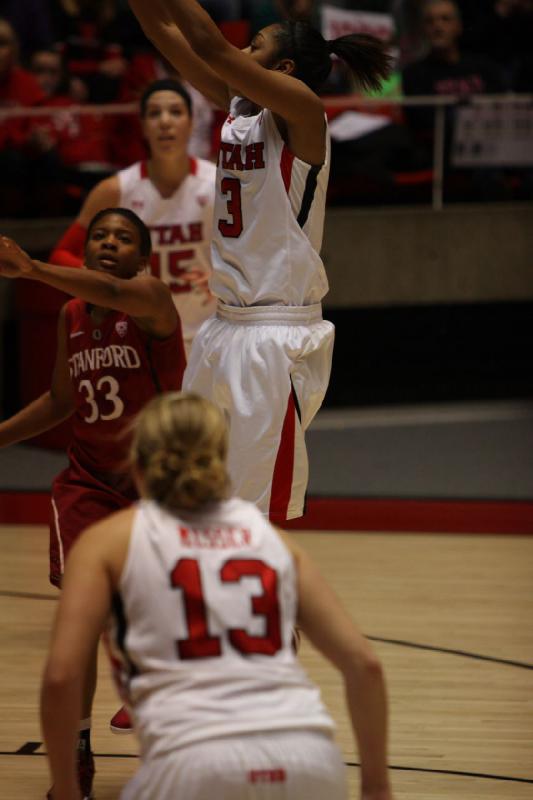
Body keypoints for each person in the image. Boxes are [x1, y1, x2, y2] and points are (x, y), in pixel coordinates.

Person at [40, 391, 394, 800]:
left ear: (136, 466)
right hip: (309, 758)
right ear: (221, 461)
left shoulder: (108, 541)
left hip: (193, 762)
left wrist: (66, 787)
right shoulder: (269, 539)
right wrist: (377, 787)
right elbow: (365, 665)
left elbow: (61, 676)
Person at [129, 0, 391, 521]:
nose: (242, 51)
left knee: (249, 513)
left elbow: (207, 45)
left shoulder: (302, 109)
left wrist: (219, 46)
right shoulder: (241, 109)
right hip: (222, 326)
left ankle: (255, 599)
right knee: (187, 485)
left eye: (255, 47)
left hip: (274, 334)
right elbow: (163, 30)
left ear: (284, 69)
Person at [0, 208, 186, 799]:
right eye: (100, 235)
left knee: (156, 612)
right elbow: (61, 400)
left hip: (155, 486)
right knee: (81, 618)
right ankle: (77, 755)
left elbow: (109, 290)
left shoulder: (153, 300)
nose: (109, 242)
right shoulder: (71, 314)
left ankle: (154, 696)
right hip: (87, 483)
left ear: (142, 260)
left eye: (123, 238)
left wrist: (29, 267)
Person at [50, 78, 217, 356]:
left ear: (191, 122)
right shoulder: (116, 189)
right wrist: (110, 282)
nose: (165, 122)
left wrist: (224, 278)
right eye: (154, 113)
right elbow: (61, 255)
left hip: (209, 336)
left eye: (175, 112)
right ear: (142, 126)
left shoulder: (218, 182)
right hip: (141, 338)